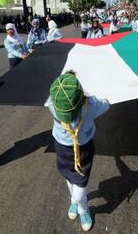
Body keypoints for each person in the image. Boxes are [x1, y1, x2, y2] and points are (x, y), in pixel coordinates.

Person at [48, 71, 109, 232]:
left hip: (82, 149)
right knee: (70, 176)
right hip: (64, 146)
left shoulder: (52, 102)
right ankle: (75, 201)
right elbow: (106, 104)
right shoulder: (92, 104)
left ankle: (83, 208)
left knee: (80, 185)